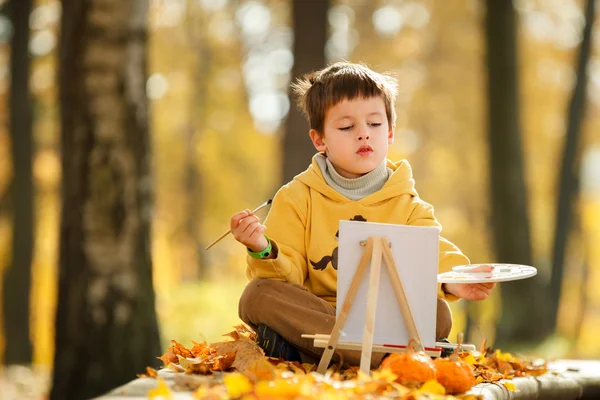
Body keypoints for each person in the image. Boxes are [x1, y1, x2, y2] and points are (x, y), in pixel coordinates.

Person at [231, 61, 495, 367]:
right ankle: (389, 357)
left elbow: (434, 256)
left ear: (391, 132)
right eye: (346, 127)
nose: (363, 135)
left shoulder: (408, 203)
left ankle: (314, 351)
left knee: (438, 313)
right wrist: (261, 248)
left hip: (385, 317)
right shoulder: (295, 198)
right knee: (257, 295)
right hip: (317, 313)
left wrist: (454, 282)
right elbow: (287, 277)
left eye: (374, 124)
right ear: (319, 139)